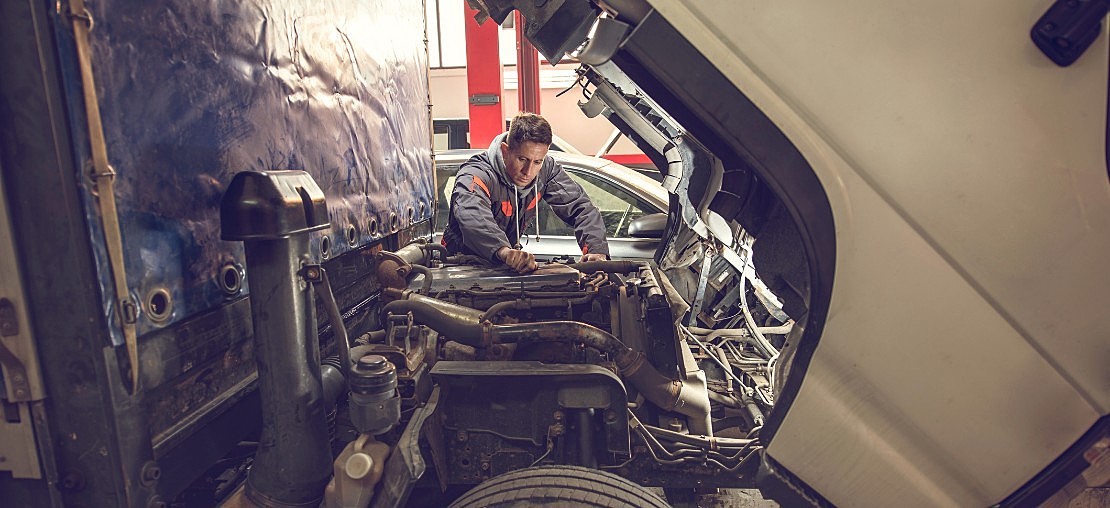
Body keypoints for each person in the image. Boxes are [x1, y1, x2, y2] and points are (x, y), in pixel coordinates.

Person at [442, 113, 610, 273]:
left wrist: (596, 250)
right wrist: (504, 251)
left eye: (537, 161)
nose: (528, 171)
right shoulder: (476, 175)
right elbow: (472, 215)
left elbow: (581, 207)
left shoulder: (546, 170)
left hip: (503, 265)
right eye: (522, 159)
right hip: (460, 267)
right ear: (505, 150)